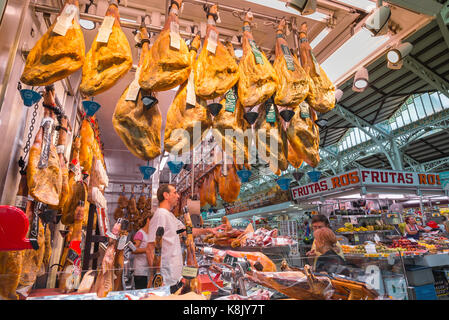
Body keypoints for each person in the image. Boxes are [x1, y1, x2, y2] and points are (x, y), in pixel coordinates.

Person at [145, 184, 220, 293]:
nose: (178, 196)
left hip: (174, 278)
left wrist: (208, 230)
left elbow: (186, 231)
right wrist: (156, 277)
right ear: (166, 195)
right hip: (164, 281)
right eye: (174, 192)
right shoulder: (160, 215)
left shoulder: (170, 216)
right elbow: (150, 248)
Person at [131, 212, 152, 289]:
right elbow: (133, 249)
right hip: (140, 270)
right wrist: (146, 250)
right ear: (148, 220)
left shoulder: (150, 234)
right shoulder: (140, 233)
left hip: (148, 270)